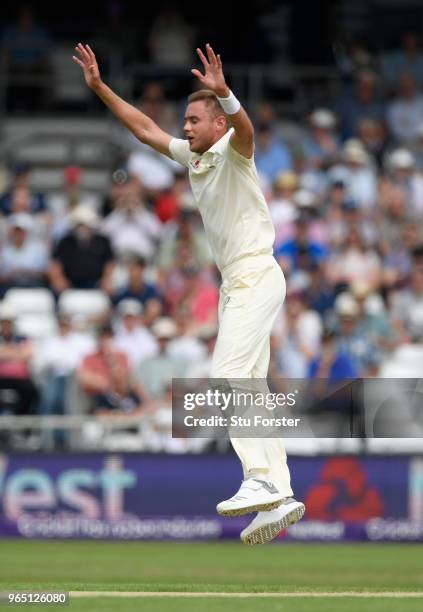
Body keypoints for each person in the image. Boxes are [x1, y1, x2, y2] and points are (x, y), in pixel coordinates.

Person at [73, 42, 305, 545]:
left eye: (195, 119)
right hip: (237, 282)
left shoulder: (233, 149)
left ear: (216, 124)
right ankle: (281, 494)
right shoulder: (194, 157)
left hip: (253, 274)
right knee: (250, 386)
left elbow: (246, 132)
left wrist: (227, 97)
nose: (186, 127)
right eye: (186, 119)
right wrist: (99, 87)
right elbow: (144, 129)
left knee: (224, 377)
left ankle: (258, 479)